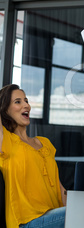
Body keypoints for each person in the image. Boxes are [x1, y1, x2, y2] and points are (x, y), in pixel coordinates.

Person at [0, 84, 66, 228]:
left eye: (26, 100)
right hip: (27, 222)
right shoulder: (6, 142)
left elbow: (61, 189)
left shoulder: (44, 142)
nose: (27, 105)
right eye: (18, 102)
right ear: (4, 110)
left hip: (56, 215)